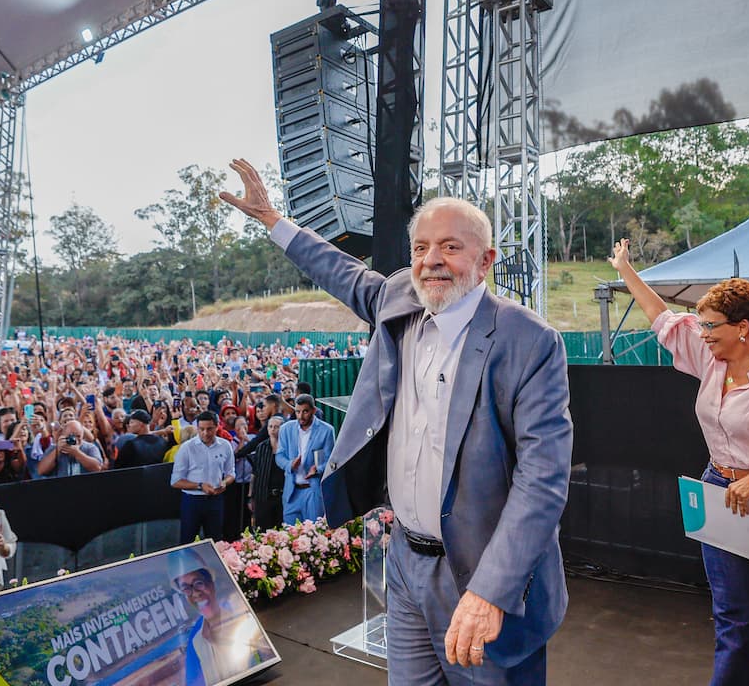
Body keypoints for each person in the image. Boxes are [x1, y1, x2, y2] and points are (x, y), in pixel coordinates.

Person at [221, 159, 572, 683]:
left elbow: (542, 482)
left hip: (480, 578)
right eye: (421, 248)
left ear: (487, 261)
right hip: (406, 565)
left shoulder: (529, 341)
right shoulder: (398, 300)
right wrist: (273, 218)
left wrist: (489, 592)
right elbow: (340, 270)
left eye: (451, 247)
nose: (432, 261)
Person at [609, 239, 749, 685]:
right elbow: (661, 317)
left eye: (712, 325)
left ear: (743, 328)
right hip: (720, 495)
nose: (703, 332)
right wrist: (625, 270)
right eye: (701, 324)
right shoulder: (709, 357)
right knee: (734, 615)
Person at [168, 546, 274, 684]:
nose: (195, 593)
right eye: (186, 588)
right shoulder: (198, 641)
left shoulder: (242, 620)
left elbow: (264, 661)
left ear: (211, 582)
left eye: (198, 583)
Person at [170, 412, 235, 544]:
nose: (205, 433)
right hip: (192, 501)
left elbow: (231, 473)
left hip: (216, 500)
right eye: (201, 429)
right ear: (197, 428)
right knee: (187, 542)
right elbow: (175, 481)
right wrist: (200, 485)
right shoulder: (186, 448)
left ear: (217, 427)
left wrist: (224, 482)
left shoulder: (225, 445)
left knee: (216, 542)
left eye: (209, 429)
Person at [275, 394, 334, 525]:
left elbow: (331, 461)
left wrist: (317, 469)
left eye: (305, 411)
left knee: (314, 534)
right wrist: (290, 464)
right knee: (289, 536)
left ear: (313, 410)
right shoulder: (286, 429)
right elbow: (279, 456)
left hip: (312, 491)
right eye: (297, 411)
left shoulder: (327, 430)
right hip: (291, 492)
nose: (301, 416)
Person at [249, 415, 285, 531]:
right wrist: (251, 497)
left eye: (277, 427)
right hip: (263, 497)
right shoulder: (261, 447)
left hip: (283, 497)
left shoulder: (289, 447)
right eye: (270, 426)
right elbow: (255, 473)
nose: (273, 429)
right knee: (263, 532)